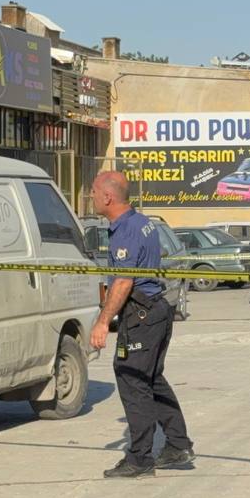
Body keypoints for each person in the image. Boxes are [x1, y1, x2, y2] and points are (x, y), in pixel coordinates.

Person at [88, 171, 194, 479]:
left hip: (143, 316)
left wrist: (102, 322)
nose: (91, 196)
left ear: (108, 197)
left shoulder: (127, 232)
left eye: (94, 191)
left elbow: (124, 281)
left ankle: (140, 459)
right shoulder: (140, 222)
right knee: (150, 379)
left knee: (132, 380)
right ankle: (177, 444)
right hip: (154, 310)